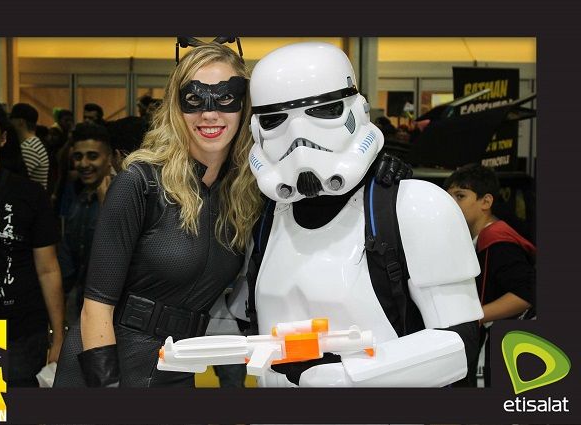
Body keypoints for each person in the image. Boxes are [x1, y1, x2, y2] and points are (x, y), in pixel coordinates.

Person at [218, 42, 483, 387]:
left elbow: (459, 346)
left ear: (357, 111)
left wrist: (341, 377)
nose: (298, 138)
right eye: (275, 120)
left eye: (324, 112)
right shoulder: (263, 217)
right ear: (256, 132)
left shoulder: (416, 208)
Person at [55, 41, 263, 388]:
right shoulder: (140, 182)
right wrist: (107, 387)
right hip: (108, 367)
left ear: (245, 106)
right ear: (175, 108)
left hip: (176, 367)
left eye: (226, 97)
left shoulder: (243, 192)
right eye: (194, 99)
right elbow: (96, 307)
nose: (209, 114)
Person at [0, 98, 65, 387]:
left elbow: (48, 269)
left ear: (4, 137)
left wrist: (57, 334)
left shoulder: (29, 195)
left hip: (22, 329)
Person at [445, 163, 536, 386]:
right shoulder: (483, 238)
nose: (452, 205)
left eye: (460, 196)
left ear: (486, 201)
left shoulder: (497, 241)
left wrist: (475, 316)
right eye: (449, 198)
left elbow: (526, 295)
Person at [57, 122, 114, 325]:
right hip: (79, 309)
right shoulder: (79, 199)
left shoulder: (121, 199)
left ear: (109, 158)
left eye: (92, 156)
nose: (83, 164)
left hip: (111, 313)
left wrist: (107, 207)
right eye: (78, 156)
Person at [9, 102, 50, 189]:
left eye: (12, 119)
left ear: (20, 122)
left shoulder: (29, 148)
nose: (9, 123)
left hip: (31, 200)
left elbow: (14, 180)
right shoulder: (33, 143)